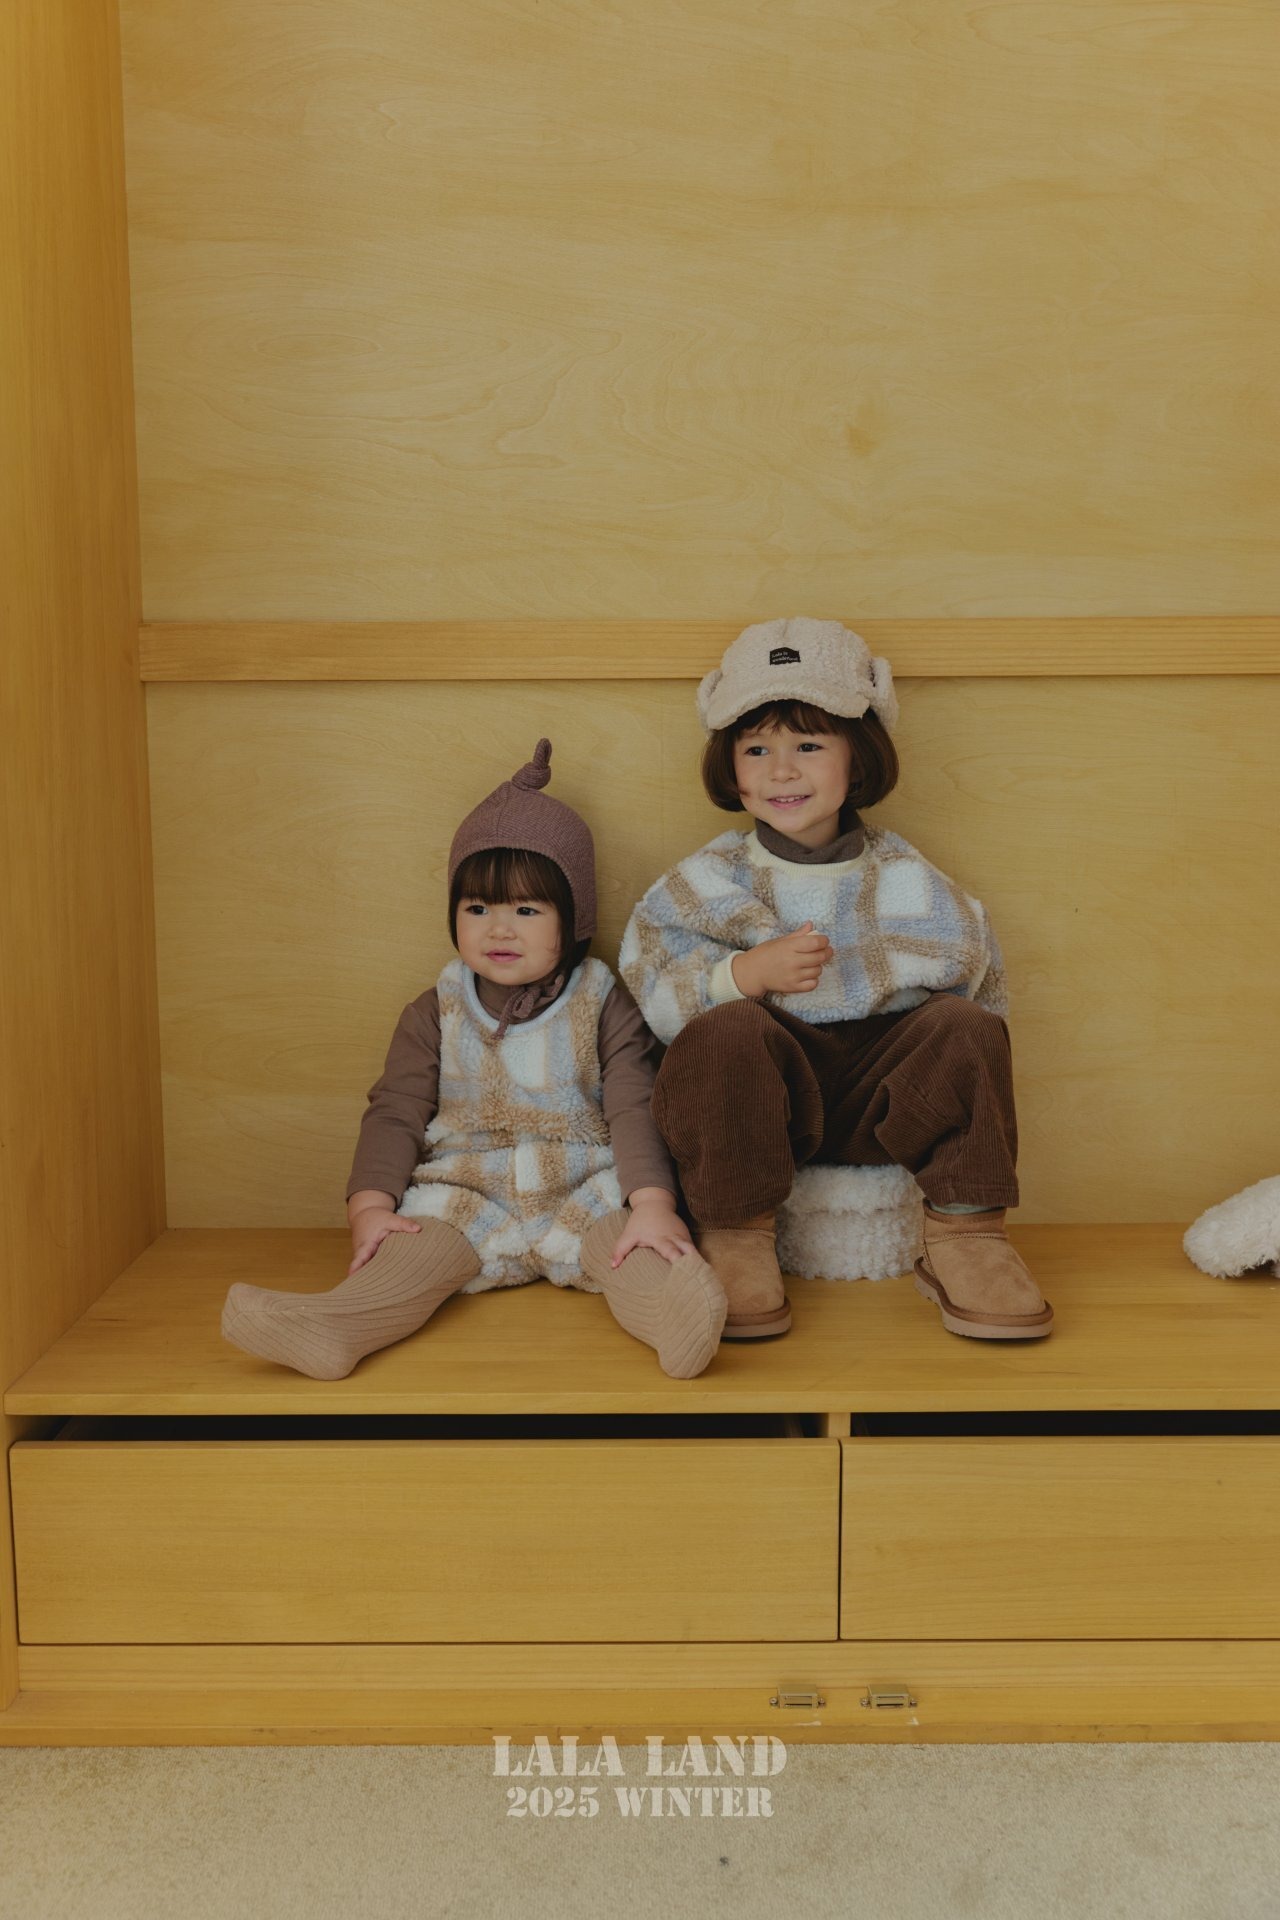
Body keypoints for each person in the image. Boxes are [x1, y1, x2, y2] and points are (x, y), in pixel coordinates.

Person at [220, 740, 727, 1380]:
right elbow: (395, 1112)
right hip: (468, 1190)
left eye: (526, 910)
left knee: (631, 1244)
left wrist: (652, 1202)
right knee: (409, 1252)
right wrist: (369, 1209)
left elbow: (635, 1103)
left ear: (573, 918)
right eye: (477, 908)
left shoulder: (601, 1002)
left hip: (582, 1185)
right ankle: (334, 1325)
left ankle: (671, 1318)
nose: (498, 929)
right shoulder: (436, 1010)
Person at [618, 617, 1053, 1342]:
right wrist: (741, 974)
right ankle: (735, 1231)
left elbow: (975, 979)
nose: (781, 771)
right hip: (762, 1103)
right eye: (757, 749)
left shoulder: (906, 876)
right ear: (730, 766)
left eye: (809, 746)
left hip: (882, 1098)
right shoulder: (708, 881)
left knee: (967, 1027)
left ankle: (967, 1234)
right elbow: (651, 990)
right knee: (725, 1030)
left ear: (859, 757)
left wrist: (893, 997)